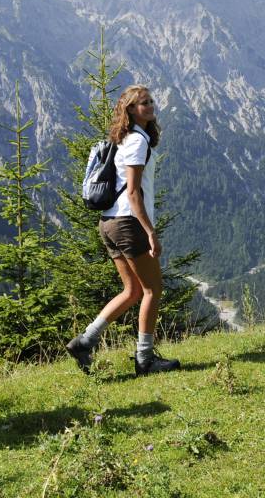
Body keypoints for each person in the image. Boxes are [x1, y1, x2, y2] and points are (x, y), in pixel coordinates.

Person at [66, 85, 181, 376]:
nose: (151, 106)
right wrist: (150, 231)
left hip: (109, 223)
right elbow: (132, 193)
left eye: (151, 101)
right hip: (128, 223)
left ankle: (85, 341)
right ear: (130, 109)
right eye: (143, 103)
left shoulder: (125, 139)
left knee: (131, 291)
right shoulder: (137, 142)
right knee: (153, 289)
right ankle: (145, 359)